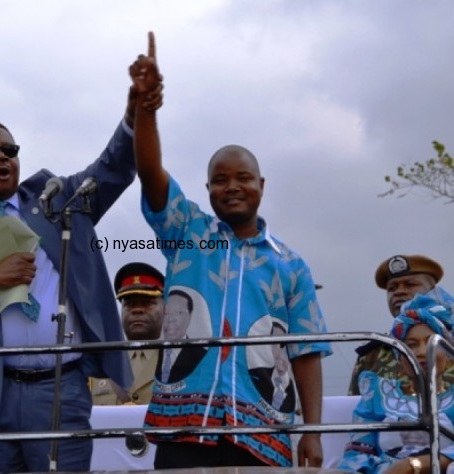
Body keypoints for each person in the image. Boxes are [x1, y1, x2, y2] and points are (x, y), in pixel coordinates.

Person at [0, 74, 163, 472]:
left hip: (62, 390)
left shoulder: (59, 203)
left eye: (10, 149)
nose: (1, 157)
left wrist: (133, 116)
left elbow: (112, 168)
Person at [128, 32, 332, 469]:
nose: (232, 186)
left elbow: (307, 352)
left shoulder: (290, 264)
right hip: (184, 427)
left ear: (262, 186)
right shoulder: (187, 231)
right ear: (208, 189)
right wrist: (145, 109)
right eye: (220, 180)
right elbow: (149, 172)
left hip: (261, 432)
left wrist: (312, 432)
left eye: (243, 178)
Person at [338, 291, 454, 472]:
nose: (422, 351)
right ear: (399, 357)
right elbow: (357, 453)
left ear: (448, 355)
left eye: (431, 342)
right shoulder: (376, 393)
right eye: (411, 344)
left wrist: (413, 465)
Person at [348, 254, 454, 396]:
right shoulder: (372, 355)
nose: (399, 292)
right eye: (392, 288)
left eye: (410, 284)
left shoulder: (449, 344)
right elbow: (354, 405)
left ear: (432, 291)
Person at [90, 262, 165, 405]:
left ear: (165, 308)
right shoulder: (101, 362)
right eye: (129, 304)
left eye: (147, 303)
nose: (137, 310)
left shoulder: (179, 359)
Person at [158, 289, 208, 384]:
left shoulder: (203, 357)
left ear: (190, 316)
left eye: (179, 313)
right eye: (166, 313)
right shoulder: (152, 353)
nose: (171, 319)